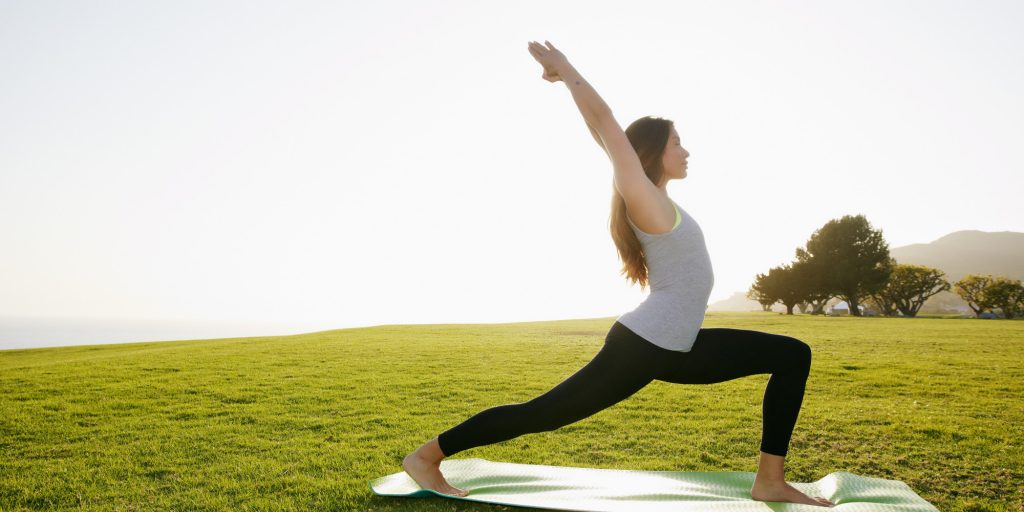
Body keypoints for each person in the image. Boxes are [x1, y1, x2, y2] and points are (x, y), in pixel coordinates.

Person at [401, 40, 834, 508]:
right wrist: (566, 71)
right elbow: (606, 125)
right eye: (676, 143)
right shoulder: (644, 198)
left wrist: (570, 88)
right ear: (653, 152)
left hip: (679, 345)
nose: (685, 151)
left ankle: (769, 480)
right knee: (544, 414)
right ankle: (426, 457)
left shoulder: (656, 197)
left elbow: (602, 134)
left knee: (792, 354)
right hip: (646, 344)